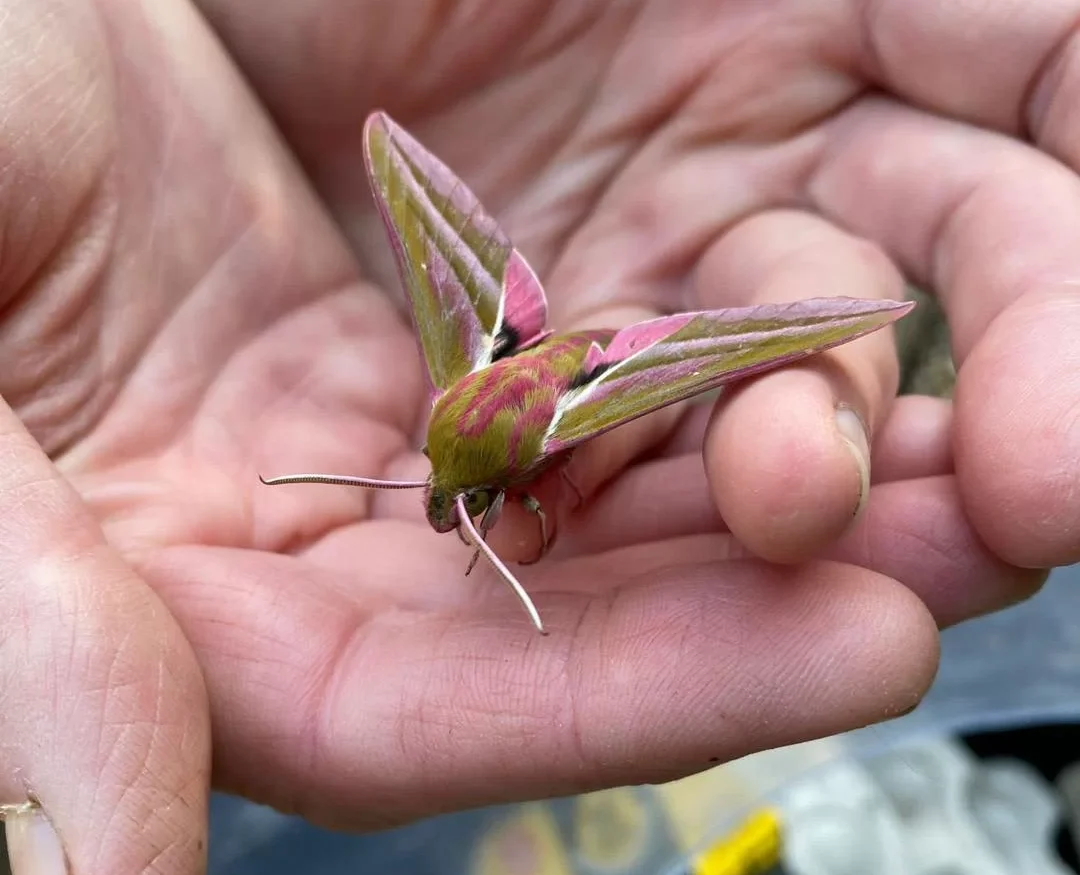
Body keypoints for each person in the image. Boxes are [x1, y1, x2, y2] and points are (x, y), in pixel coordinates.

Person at [1, 0, 1076, 872]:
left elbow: (524, 485)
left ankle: (773, 341)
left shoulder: (502, 441)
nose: (446, 506)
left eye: (457, 496)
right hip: (535, 363)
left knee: (737, 413)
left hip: (580, 389)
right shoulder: (454, 416)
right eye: (450, 492)